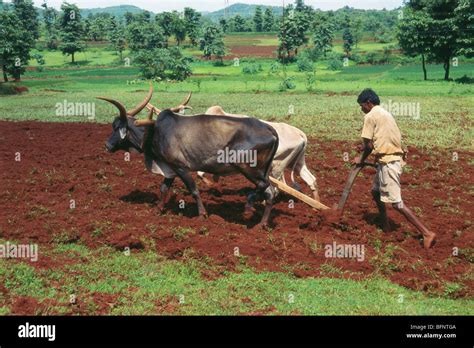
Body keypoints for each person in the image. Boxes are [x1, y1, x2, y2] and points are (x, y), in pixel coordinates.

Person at [353, 88, 436, 249]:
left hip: (389, 162)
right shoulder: (385, 113)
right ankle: (385, 224)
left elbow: (368, 146)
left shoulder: (370, 116)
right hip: (388, 159)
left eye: (362, 105)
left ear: (369, 103)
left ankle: (426, 233)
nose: (361, 109)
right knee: (375, 192)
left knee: (396, 203)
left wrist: (360, 159)